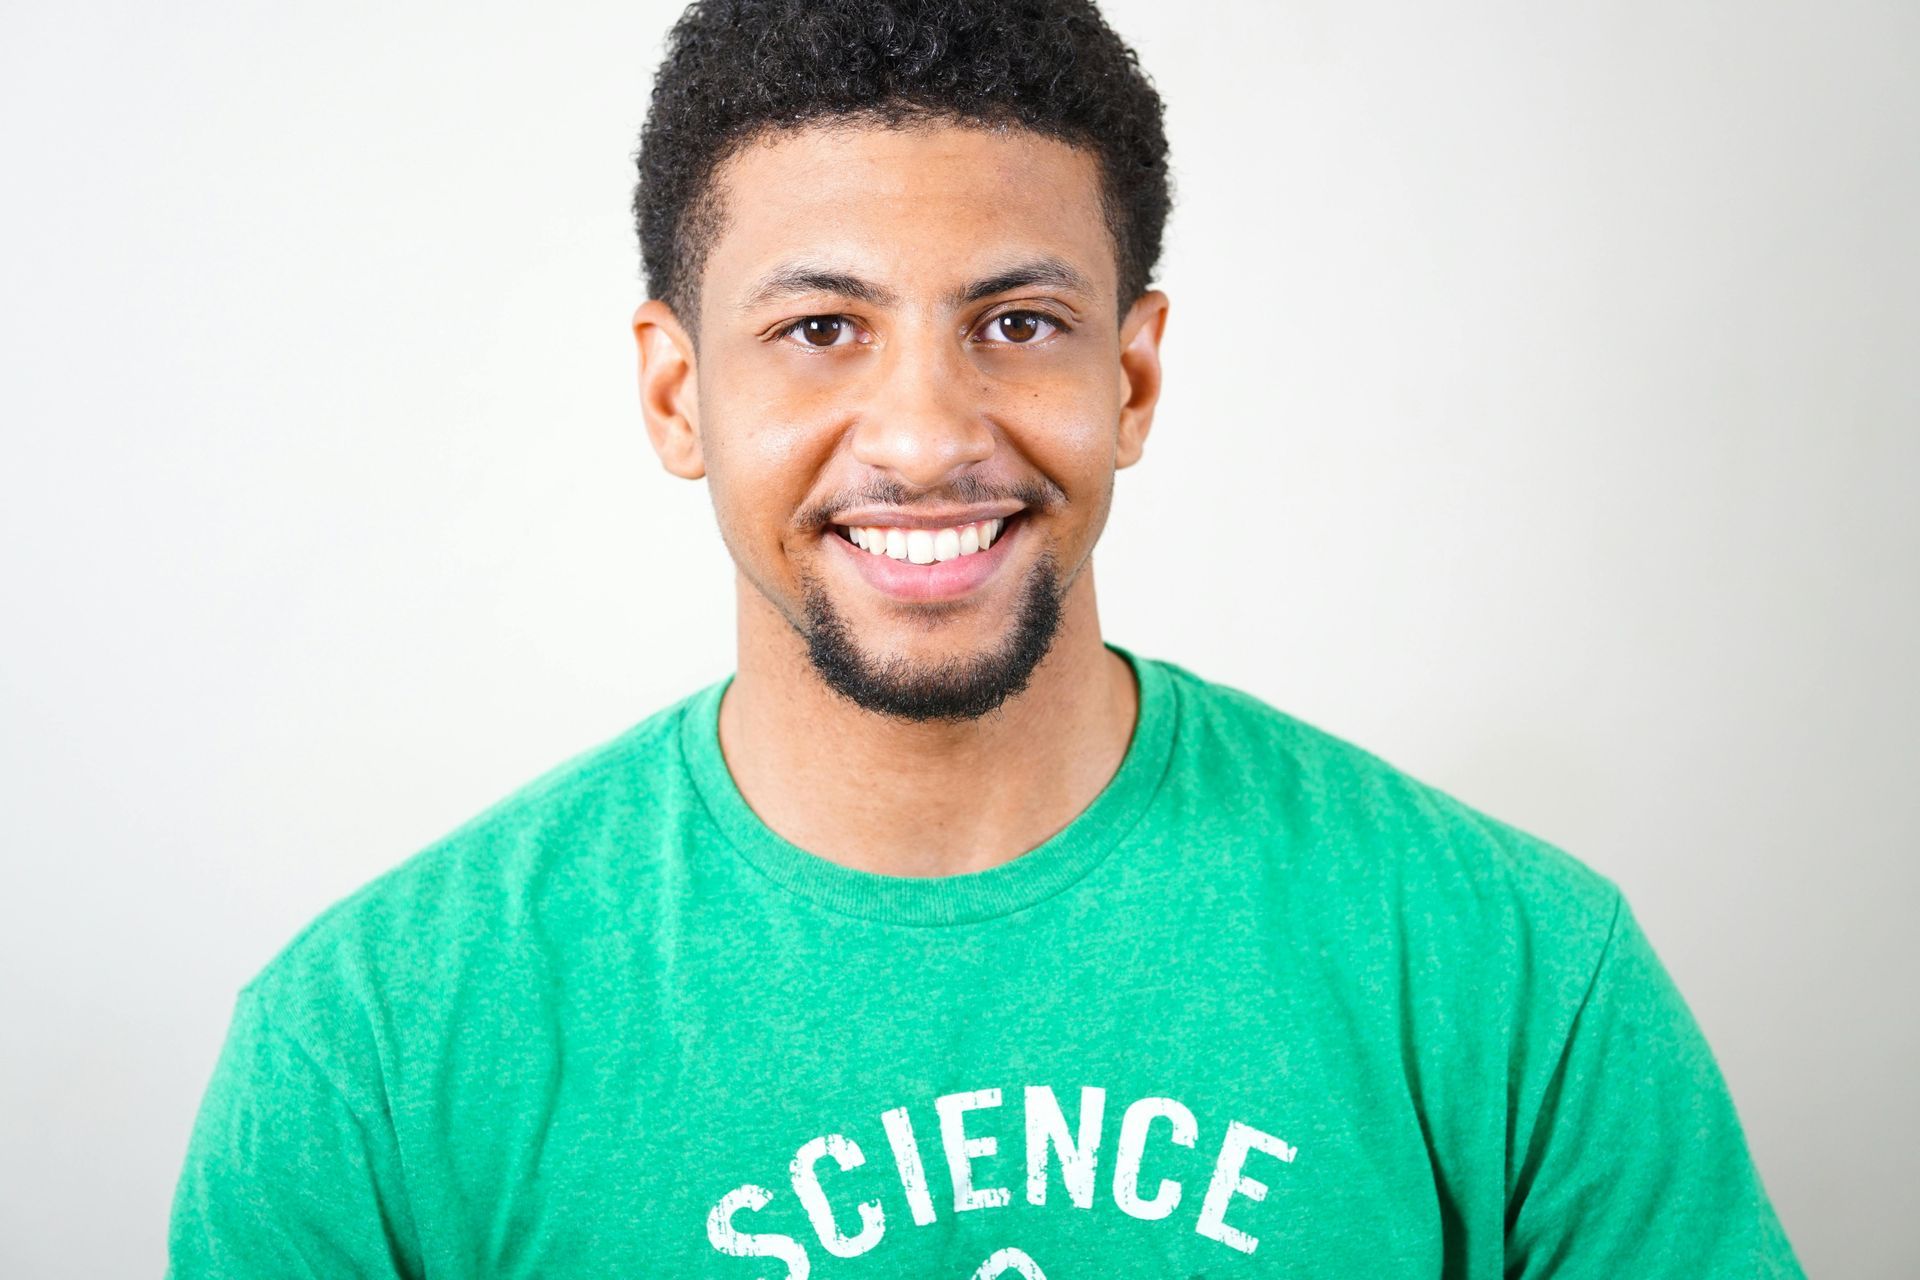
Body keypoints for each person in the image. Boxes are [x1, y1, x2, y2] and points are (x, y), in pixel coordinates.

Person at [166, 1, 1806, 1276]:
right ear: (679, 393)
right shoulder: (372, 1050)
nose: (927, 434)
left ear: (1132, 378)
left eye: (1016, 325)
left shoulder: (1513, 972)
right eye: (821, 331)